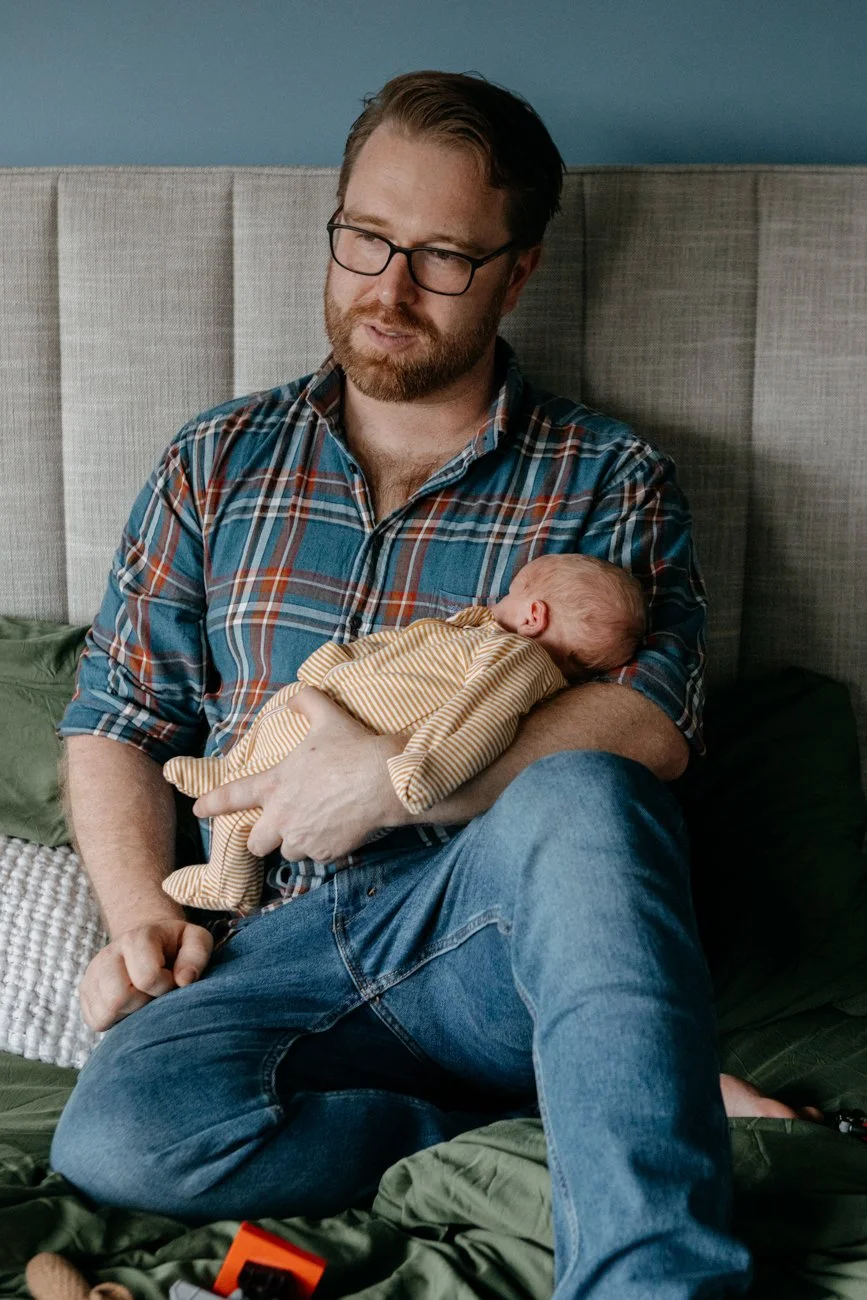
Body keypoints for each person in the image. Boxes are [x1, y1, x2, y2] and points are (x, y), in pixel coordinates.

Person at [52, 70, 759, 1298]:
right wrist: (139, 920)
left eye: (439, 257)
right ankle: (479, 1131)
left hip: (483, 932)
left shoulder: (608, 480)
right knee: (115, 1136)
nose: (386, 287)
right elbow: (119, 715)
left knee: (588, 796)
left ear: (517, 271)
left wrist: (392, 787)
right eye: (366, 237)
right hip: (271, 958)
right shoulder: (215, 462)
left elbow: (650, 724)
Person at [161, 554, 648, 914]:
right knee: (277, 722)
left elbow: (476, 720)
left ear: (533, 614)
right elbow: (399, 648)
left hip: (353, 740)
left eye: (513, 589)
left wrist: (419, 772)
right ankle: (226, 769)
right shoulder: (477, 636)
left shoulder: (518, 659)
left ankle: (227, 881)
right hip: (330, 703)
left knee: (256, 801)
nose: (500, 599)